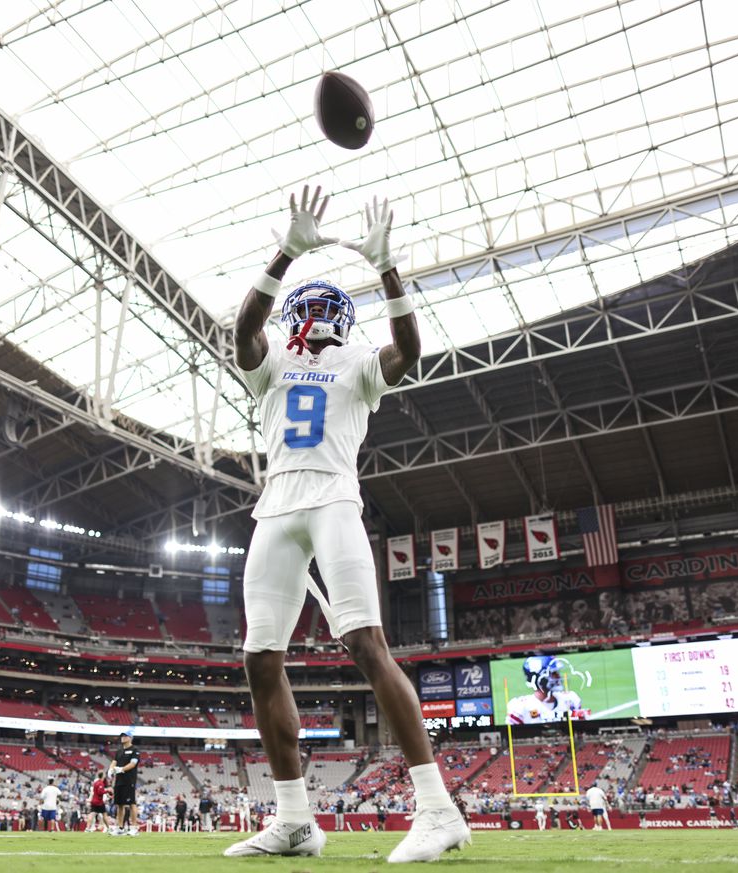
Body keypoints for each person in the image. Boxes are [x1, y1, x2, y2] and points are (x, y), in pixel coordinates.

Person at [225, 186, 467, 864]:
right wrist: (286, 253)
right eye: (313, 304)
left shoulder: (357, 364)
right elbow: (243, 330)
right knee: (259, 659)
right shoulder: (272, 364)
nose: (322, 314)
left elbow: (408, 348)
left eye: (334, 306)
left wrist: (388, 269)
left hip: (332, 498)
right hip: (275, 505)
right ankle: (296, 819)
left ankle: (437, 808)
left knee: (366, 642)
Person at [505, 657, 584, 725]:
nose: (558, 676)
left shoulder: (570, 700)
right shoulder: (520, 707)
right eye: (553, 673)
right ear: (539, 678)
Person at [111, 731, 140, 836]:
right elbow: (114, 762)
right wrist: (110, 770)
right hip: (119, 781)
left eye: (125, 736)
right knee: (119, 805)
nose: (122, 737)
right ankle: (120, 828)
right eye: (122, 736)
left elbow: (133, 763)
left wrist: (121, 769)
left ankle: (134, 828)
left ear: (130, 737)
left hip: (129, 780)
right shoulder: (119, 751)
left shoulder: (135, 750)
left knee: (132, 803)